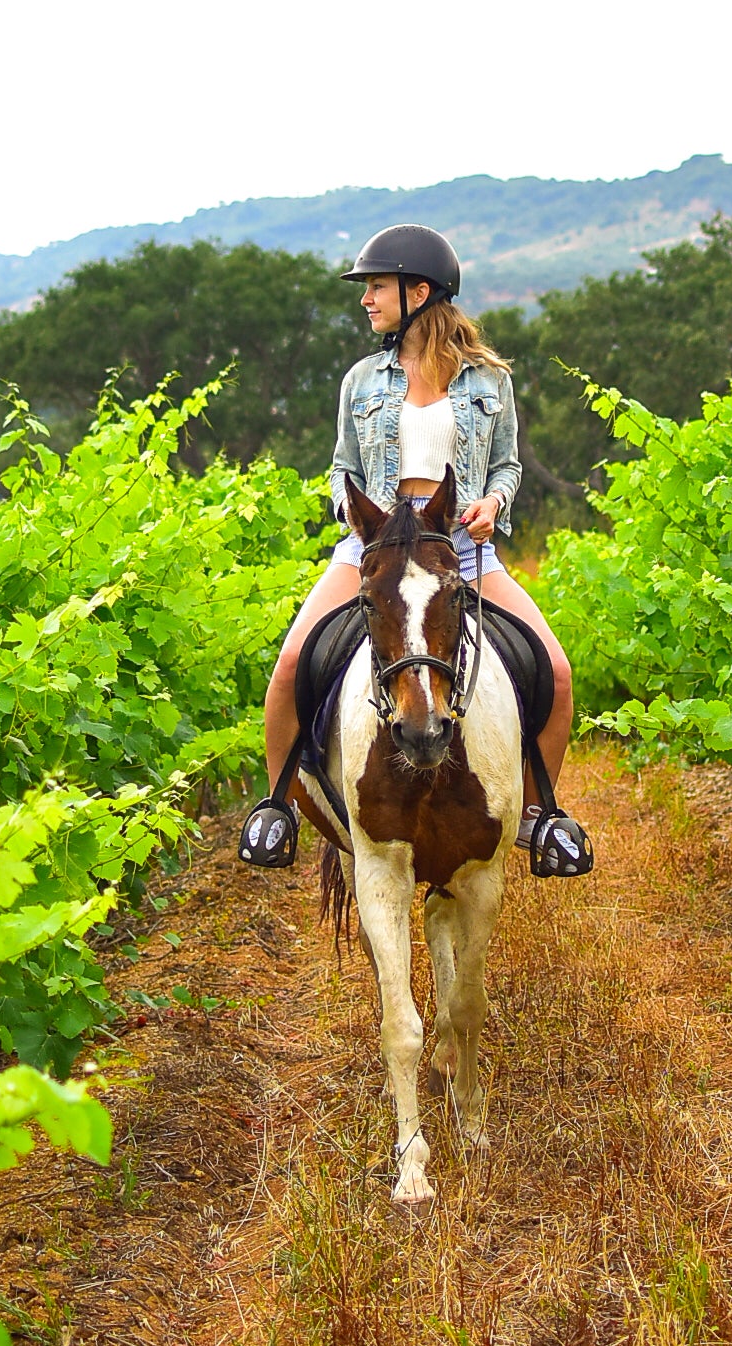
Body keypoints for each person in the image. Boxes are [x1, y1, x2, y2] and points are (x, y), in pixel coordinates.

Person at [237, 224, 593, 877]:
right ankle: (277, 808)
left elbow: (506, 466)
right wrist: (353, 511)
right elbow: (340, 466)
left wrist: (492, 505)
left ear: (419, 290)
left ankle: (541, 815)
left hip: (459, 548)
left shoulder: (488, 383)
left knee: (558, 671)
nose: (366, 299)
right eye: (366, 288)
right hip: (375, 546)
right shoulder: (360, 381)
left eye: (376, 286)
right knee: (290, 666)